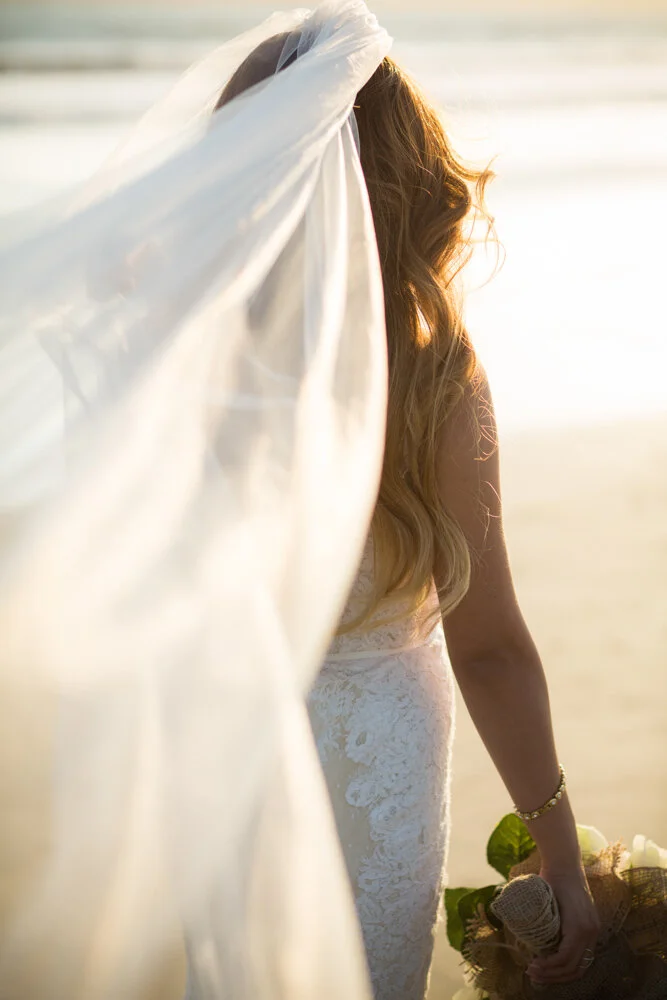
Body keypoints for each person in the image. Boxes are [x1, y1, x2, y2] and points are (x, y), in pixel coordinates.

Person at [215, 30, 601, 1000]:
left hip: (228, 751)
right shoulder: (433, 379)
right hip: (372, 757)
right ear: (401, 177)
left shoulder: (201, 358)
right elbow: (491, 649)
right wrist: (560, 855)